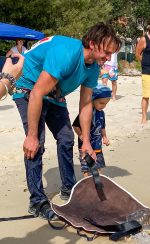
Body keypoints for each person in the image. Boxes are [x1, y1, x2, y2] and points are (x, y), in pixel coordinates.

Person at [13, 22, 121, 220]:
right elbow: (37, 92)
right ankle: (37, 201)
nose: (108, 58)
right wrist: (31, 135)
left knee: (66, 138)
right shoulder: (67, 53)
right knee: (36, 144)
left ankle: (69, 188)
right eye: (106, 52)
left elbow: (86, 102)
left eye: (111, 54)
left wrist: (87, 141)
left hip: (55, 92)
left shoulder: (93, 67)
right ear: (92, 43)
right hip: (29, 88)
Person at [73, 85, 111, 177]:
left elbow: (102, 127)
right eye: (101, 103)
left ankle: (100, 178)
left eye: (106, 104)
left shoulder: (101, 113)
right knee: (86, 165)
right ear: (93, 100)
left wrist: (105, 137)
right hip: (85, 145)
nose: (103, 106)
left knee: (98, 164)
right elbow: (75, 125)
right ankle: (86, 179)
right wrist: (81, 135)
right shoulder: (85, 112)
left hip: (97, 144)